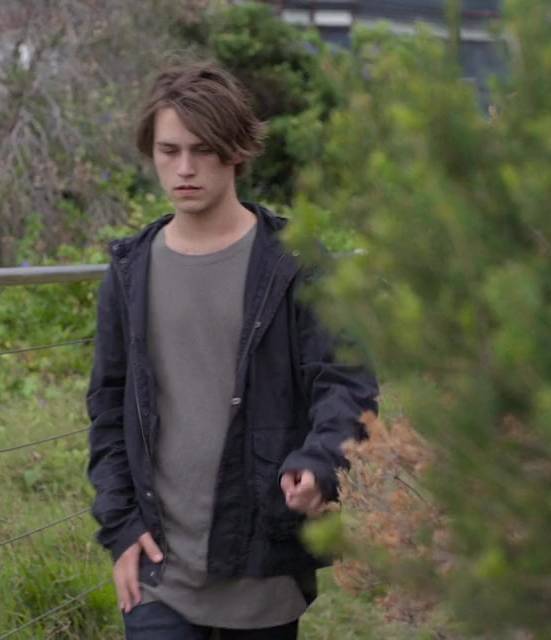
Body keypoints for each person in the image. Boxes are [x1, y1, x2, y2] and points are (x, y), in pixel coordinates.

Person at [86, 61, 379, 640]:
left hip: (262, 563)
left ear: (237, 152)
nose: (184, 168)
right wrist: (120, 526)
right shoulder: (129, 271)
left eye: (203, 150)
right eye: (169, 151)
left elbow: (345, 380)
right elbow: (109, 407)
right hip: (158, 570)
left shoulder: (294, 261)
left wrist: (319, 463)